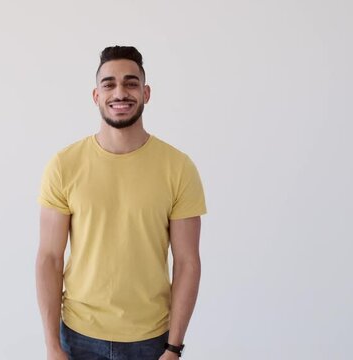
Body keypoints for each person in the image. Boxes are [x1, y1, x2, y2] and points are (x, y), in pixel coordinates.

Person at [36, 46, 206, 360]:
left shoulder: (178, 167)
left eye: (130, 83)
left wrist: (174, 348)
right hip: (78, 337)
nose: (120, 92)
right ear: (96, 95)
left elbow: (187, 263)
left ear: (146, 92)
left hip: (152, 340)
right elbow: (49, 258)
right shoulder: (64, 165)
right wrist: (52, 346)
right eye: (109, 84)